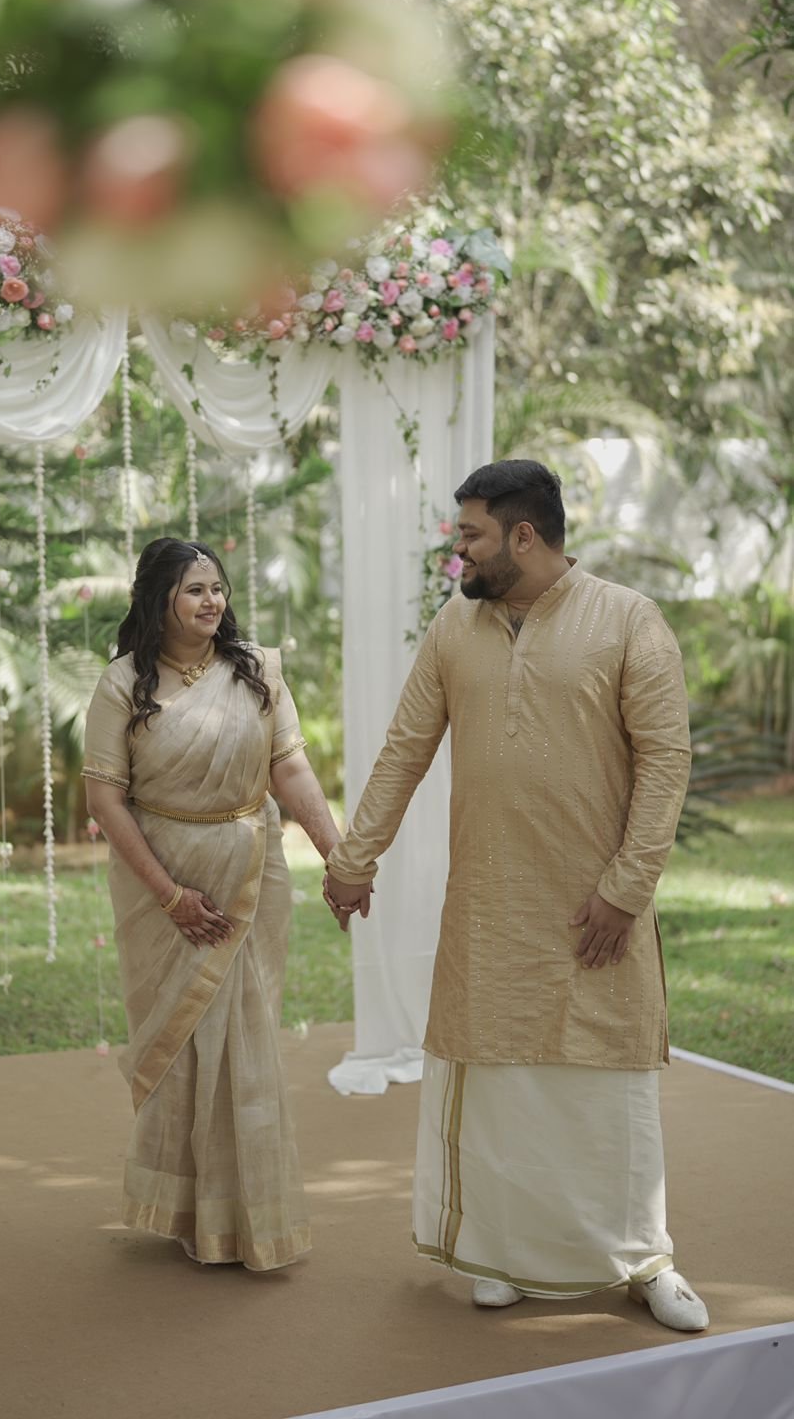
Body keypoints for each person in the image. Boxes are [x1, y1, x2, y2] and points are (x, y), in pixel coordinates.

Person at [323, 460, 709, 1332]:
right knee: (500, 1087)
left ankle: (645, 1259)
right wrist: (354, 859)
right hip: (491, 904)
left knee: (607, 1093)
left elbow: (666, 763)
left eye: (471, 535)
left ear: (523, 536)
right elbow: (404, 749)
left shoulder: (628, 621)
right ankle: (502, 1251)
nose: (458, 550)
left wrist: (625, 890)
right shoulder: (454, 629)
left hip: (594, 912)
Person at [83, 536, 341, 1270]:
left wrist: (339, 856)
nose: (211, 601)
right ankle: (187, 1209)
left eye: (217, 588)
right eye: (194, 589)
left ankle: (249, 1217)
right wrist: (171, 897)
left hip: (251, 872)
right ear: (158, 598)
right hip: (162, 880)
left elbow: (291, 770)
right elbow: (105, 799)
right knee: (183, 1045)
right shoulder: (123, 683)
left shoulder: (256, 671)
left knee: (246, 1041)